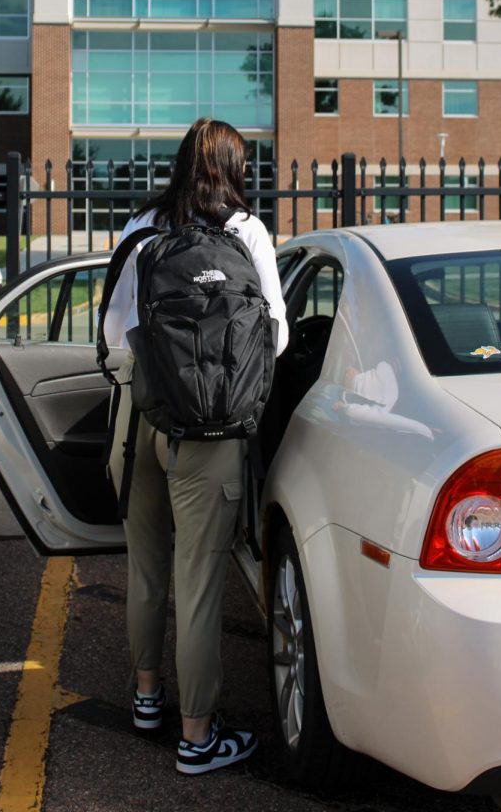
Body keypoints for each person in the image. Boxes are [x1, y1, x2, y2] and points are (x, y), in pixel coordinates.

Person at [102, 118, 288, 775]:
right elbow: (278, 338)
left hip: (138, 419)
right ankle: (197, 736)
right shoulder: (248, 232)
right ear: (236, 170)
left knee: (147, 567)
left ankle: (147, 697)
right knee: (200, 581)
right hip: (208, 430)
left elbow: (112, 330)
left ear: (181, 163)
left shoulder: (139, 227)